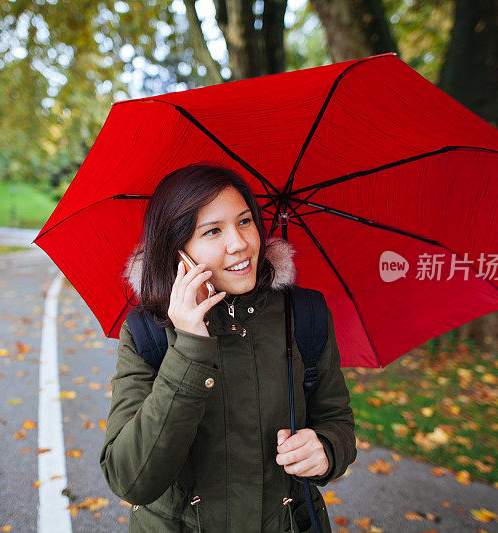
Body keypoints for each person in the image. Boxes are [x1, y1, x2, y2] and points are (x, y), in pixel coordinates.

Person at [100, 163, 357, 532]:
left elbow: (337, 420)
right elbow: (131, 480)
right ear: (178, 252)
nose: (239, 243)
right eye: (213, 231)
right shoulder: (148, 333)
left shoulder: (304, 314)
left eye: (245, 221)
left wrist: (327, 449)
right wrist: (189, 347)